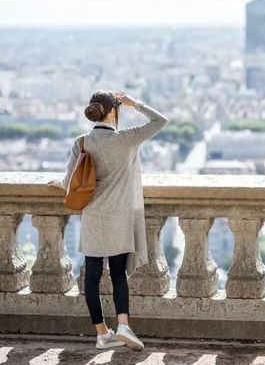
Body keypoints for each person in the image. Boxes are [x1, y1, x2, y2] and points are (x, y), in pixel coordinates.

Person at [47, 90, 169, 350]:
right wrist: (134, 103)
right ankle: (123, 325)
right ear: (113, 111)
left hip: (93, 217)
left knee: (91, 277)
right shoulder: (127, 138)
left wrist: (58, 184)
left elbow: (69, 182)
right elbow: (161, 121)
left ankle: (102, 333)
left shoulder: (82, 142)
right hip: (119, 218)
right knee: (118, 275)